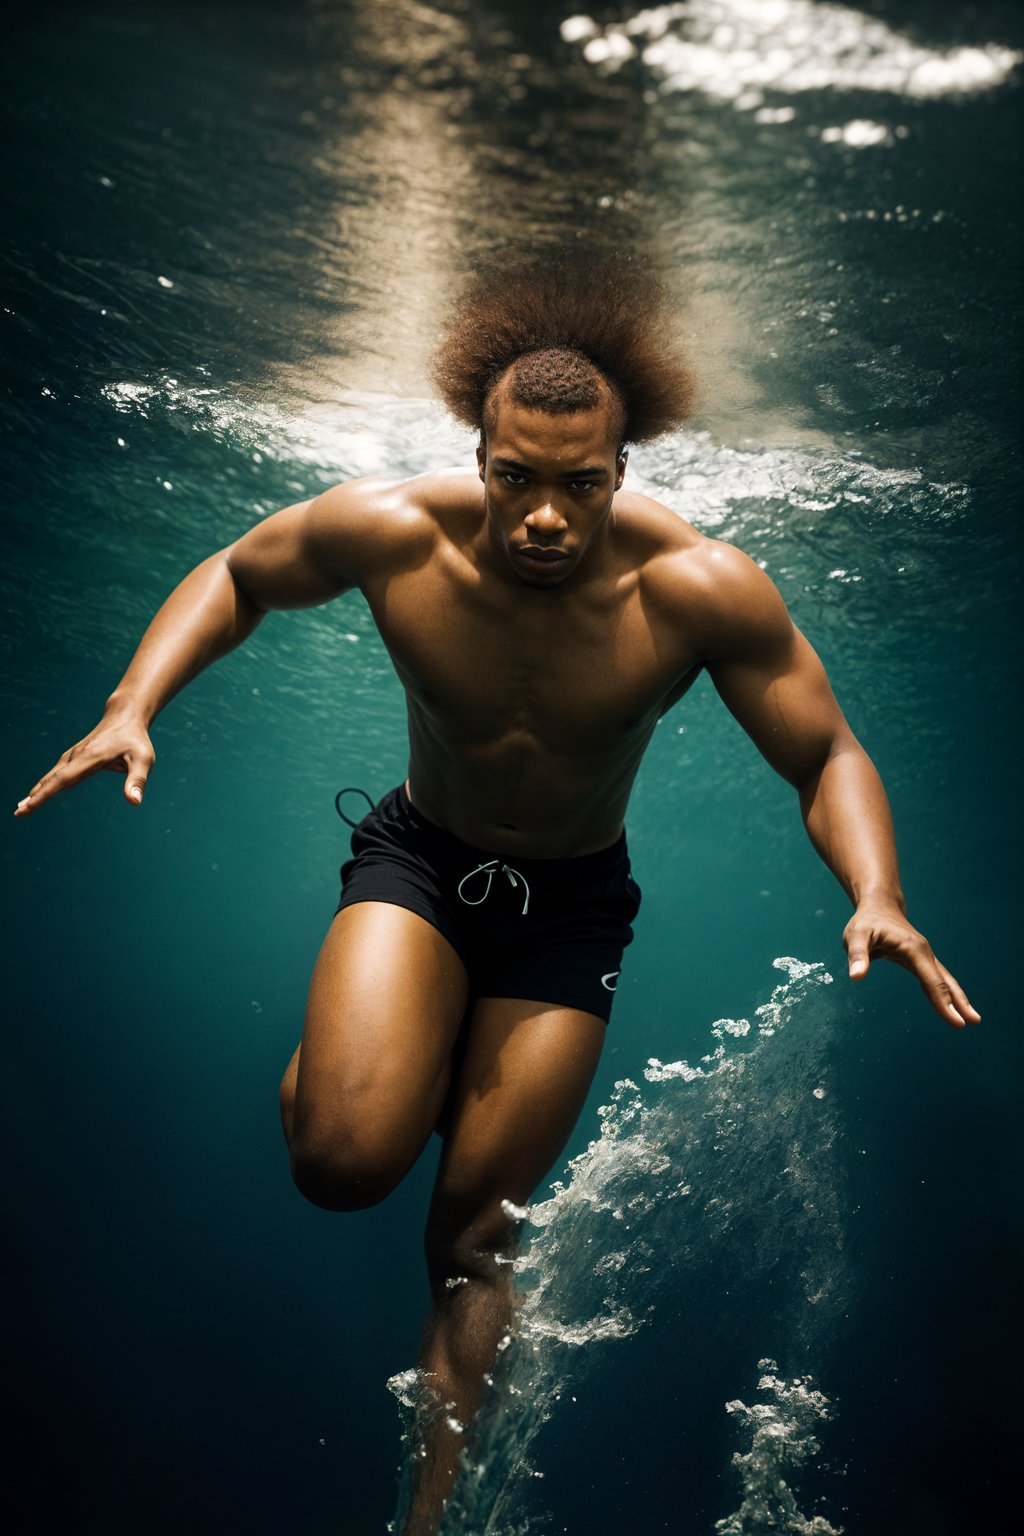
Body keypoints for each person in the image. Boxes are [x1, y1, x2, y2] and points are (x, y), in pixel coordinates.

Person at [15, 250, 979, 1534]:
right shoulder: (393, 532)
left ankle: (427, 1520)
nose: (542, 516)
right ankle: (367, 1069)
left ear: (621, 471)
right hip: (419, 861)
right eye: (515, 477)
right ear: (477, 454)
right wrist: (134, 703)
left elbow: (825, 751)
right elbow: (240, 573)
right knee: (344, 1163)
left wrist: (877, 888)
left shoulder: (696, 586)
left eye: (579, 486)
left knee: (473, 1236)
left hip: (571, 913)